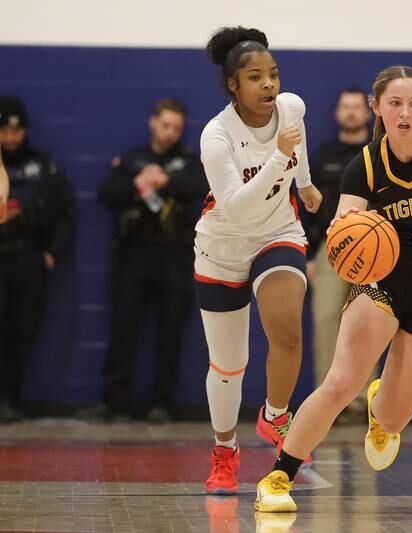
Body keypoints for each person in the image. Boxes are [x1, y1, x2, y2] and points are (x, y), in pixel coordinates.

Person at [255, 65, 412, 513]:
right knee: (341, 381)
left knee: (393, 418)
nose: (405, 113)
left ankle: (381, 411)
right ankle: (278, 477)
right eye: (395, 104)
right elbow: (350, 223)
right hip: (383, 284)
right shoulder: (365, 164)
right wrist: (343, 229)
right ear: (377, 108)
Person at [196, 27, 322, 495]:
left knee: (287, 330)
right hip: (224, 243)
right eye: (255, 77)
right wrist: (280, 160)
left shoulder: (290, 107)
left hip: (277, 232)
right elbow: (238, 209)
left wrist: (304, 181)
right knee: (228, 366)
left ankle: (275, 416)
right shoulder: (217, 136)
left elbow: (298, 133)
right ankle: (224, 451)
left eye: (273, 74)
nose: (269, 85)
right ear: (234, 85)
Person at [79, 98, 207, 423]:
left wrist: (168, 182)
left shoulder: (189, 161)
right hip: (134, 254)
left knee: (170, 329)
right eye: (165, 125)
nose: (170, 133)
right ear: (153, 123)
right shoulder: (133, 159)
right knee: (123, 326)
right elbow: (106, 194)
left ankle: (161, 403)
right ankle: (114, 401)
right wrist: (137, 185)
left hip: (174, 254)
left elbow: (203, 189)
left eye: (176, 128)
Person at [0, 95, 76, 422]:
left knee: (21, 331)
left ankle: (9, 400)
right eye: (5, 131)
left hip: (28, 259)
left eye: (17, 131)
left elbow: (67, 213)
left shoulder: (43, 166)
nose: (11, 137)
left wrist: (50, 253)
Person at [306, 88, 372, 423]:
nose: (350, 112)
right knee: (325, 320)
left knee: (366, 326)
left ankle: (361, 402)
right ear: (337, 113)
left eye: (356, 107)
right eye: (344, 106)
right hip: (330, 249)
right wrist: (309, 254)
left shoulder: (379, 153)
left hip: (373, 251)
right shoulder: (323, 155)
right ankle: (328, 403)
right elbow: (309, 208)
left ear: (367, 112)